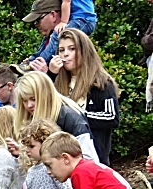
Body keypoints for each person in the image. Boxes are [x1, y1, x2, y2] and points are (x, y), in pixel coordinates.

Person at [48, 28, 120, 166]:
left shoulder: (101, 82)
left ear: (84, 51)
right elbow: (46, 106)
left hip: (93, 157)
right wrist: (51, 75)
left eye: (72, 49)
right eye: (61, 50)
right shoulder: (57, 82)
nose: (65, 54)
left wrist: (77, 117)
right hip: (62, 160)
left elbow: (112, 117)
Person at [21, 0, 96, 70]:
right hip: (82, 19)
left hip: (83, 19)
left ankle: (37, 63)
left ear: (53, 15)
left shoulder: (68, 39)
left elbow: (67, 1)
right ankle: (33, 60)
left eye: (38, 20)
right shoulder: (49, 39)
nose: (36, 25)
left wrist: (63, 22)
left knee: (58, 34)